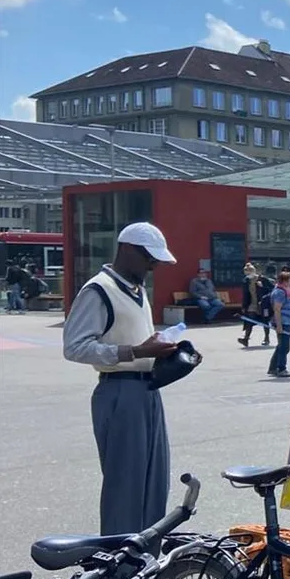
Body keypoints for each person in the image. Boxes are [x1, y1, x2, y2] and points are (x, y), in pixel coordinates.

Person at [62, 221, 180, 535]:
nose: (153, 265)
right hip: (119, 392)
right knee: (125, 487)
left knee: (155, 483)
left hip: (147, 390)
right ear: (127, 250)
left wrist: (161, 350)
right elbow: (75, 347)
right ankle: (119, 570)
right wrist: (136, 351)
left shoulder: (138, 290)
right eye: (149, 257)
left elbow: (136, 342)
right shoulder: (99, 289)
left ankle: (146, 564)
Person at [267, 270, 290, 378]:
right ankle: (281, 368)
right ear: (284, 281)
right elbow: (277, 309)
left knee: (281, 346)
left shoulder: (286, 291)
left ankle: (273, 368)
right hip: (282, 322)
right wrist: (279, 325)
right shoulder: (279, 292)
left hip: (287, 321)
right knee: (284, 347)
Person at [238, 263, 272, 347]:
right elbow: (245, 295)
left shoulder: (263, 279)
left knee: (265, 320)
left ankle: (266, 338)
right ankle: (246, 338)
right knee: (249, 319)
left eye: (249, 272)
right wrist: (244, 306)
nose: (248, 274)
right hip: (252, 304)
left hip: (263, 304)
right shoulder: (246, 281)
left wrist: (263, 286)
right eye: (246, 272)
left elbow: (272, 289)